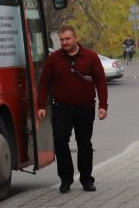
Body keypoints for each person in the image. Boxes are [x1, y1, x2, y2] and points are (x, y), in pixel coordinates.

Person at [35, 24, 109, 192]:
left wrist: (103, 105)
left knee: (84, 143)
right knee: (60, 141)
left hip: (85, 108)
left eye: (67, 39)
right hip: (62, 109)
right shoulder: (54, 59)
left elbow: (101, 82)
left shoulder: (91, 57)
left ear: (76, 38)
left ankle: (86, 179)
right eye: (61, 40)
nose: (64, 42)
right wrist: (41, 105)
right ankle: (66, 179)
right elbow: (44, 82)